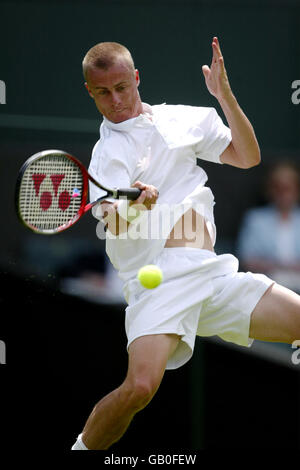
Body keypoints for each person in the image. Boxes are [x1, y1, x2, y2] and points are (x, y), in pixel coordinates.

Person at [71, 39, 300, 450]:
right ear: (90, 92)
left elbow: (247, 156)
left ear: (137, 78)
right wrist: (134, 206)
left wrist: (225, 97)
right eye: (103, 92)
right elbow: (116, 225)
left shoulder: (183, 119)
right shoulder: (107, 157)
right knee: (139, 389)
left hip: (213, 276)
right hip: (160, 286)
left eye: (123, 87)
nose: (117, 100)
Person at [237, 161, 300, 292]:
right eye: (278, 188)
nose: (283, 194)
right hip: (267, 285)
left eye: (288, 188)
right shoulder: (255, 219)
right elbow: (247, 258)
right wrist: (279, 267)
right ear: (270, 190)